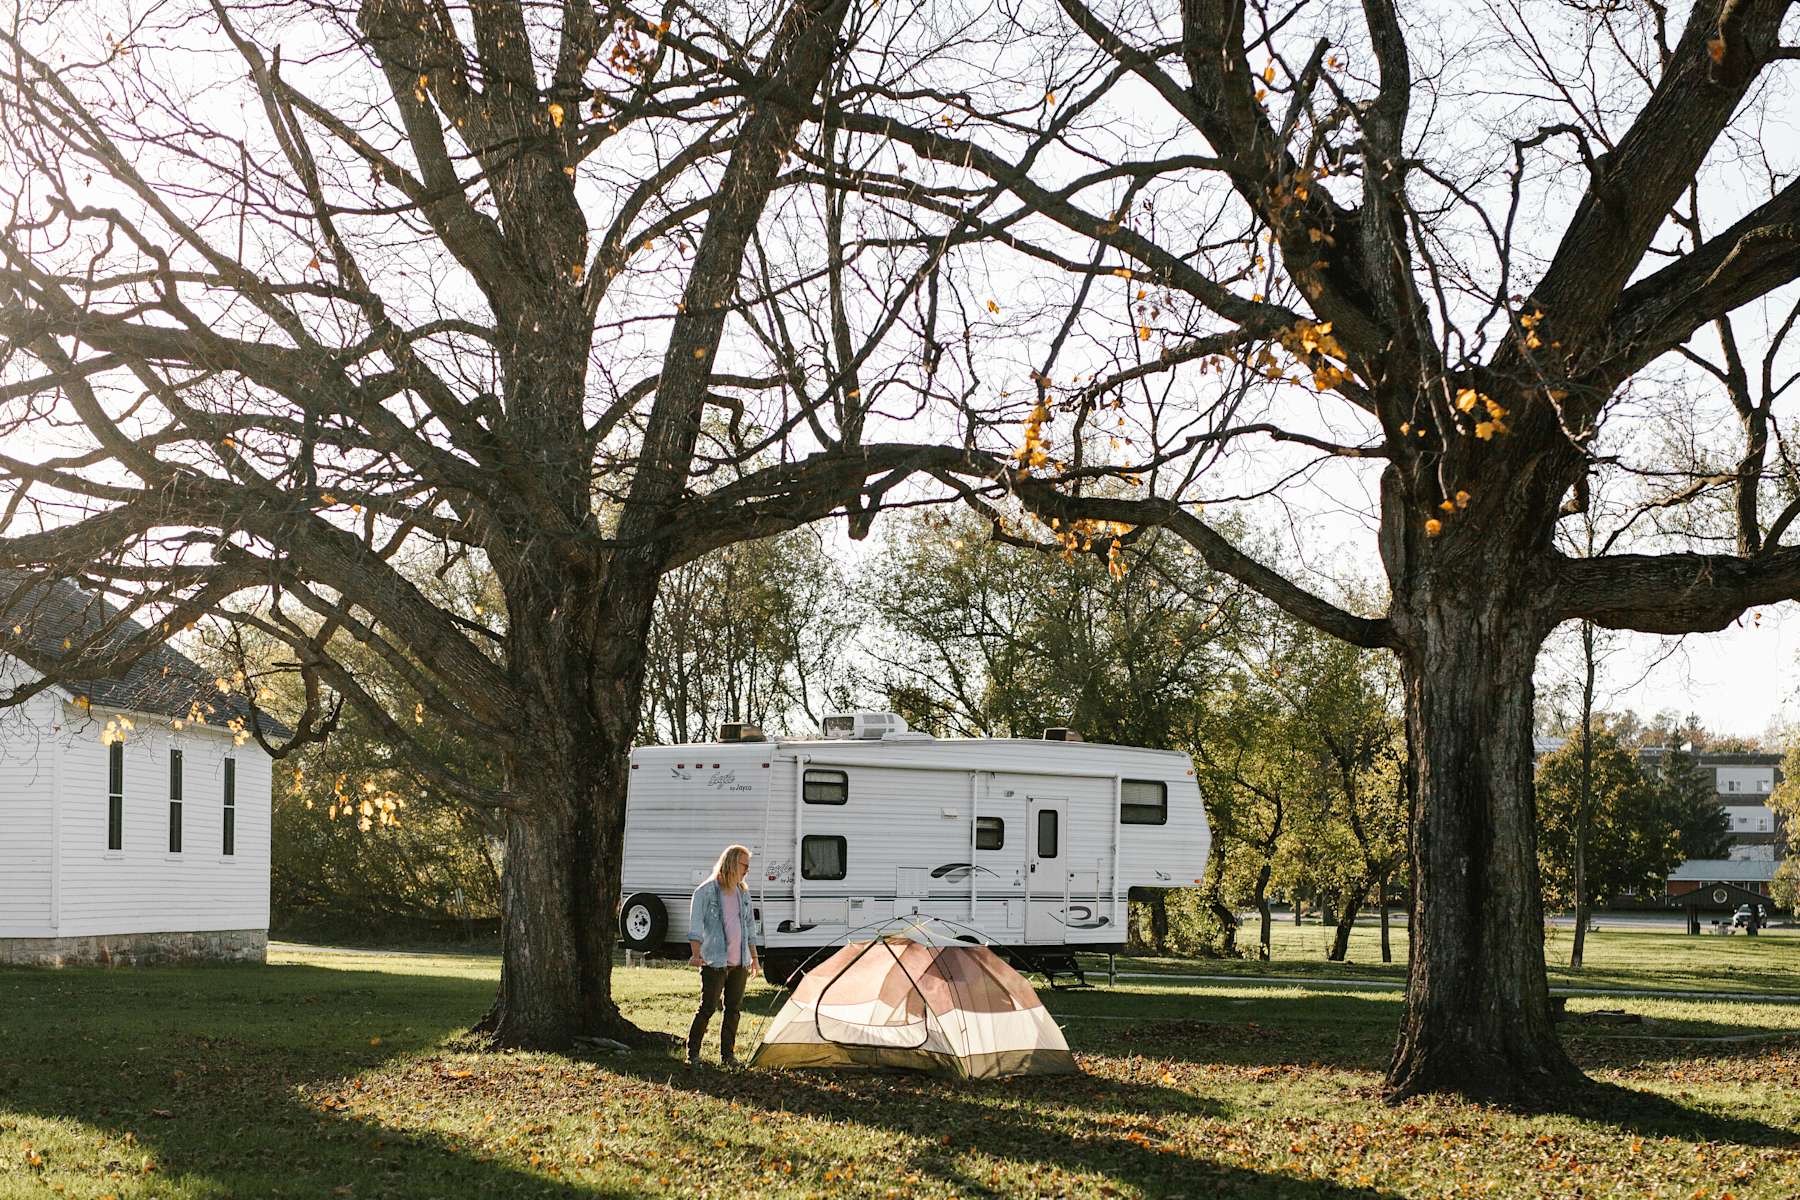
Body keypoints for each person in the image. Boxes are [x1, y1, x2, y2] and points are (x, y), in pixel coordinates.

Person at [686, 843, 759, 1066]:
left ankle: (728, 1056)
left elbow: (750, 927)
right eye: (744, 865)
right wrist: (696, 954)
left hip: (740, 962)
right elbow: (695, 926)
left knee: (733, 1010)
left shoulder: (743, 892)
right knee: (708, 1007)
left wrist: (754, 958)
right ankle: (693, 1053)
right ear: (731, 863)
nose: (747, 870)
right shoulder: (705, 891)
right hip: (713, 960)